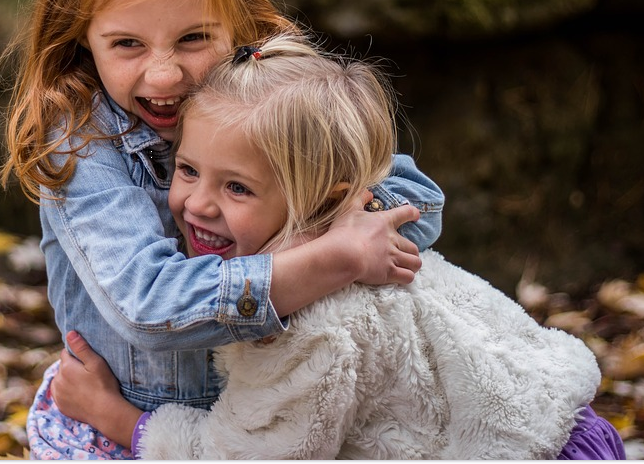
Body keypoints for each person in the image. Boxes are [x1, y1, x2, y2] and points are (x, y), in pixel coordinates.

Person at [0, 0, 444, 459]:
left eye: (193, 39)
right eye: (127, 44)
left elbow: (417, 203)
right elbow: (149, 304)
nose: (164, 74)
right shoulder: (81, 142)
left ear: (238, 20)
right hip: (119, 428)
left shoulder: (267, 101)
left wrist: (333, 227)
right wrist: (326, 259)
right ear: (81, 34)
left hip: (262, 422)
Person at [53, 32, 626, 460]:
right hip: (556, 419)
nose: (198, 204)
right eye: (186, 169)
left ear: (325, 198)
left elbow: (248, 458)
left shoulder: (308, 323)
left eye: (237, 187)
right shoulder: (361, 236)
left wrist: (120, 419)